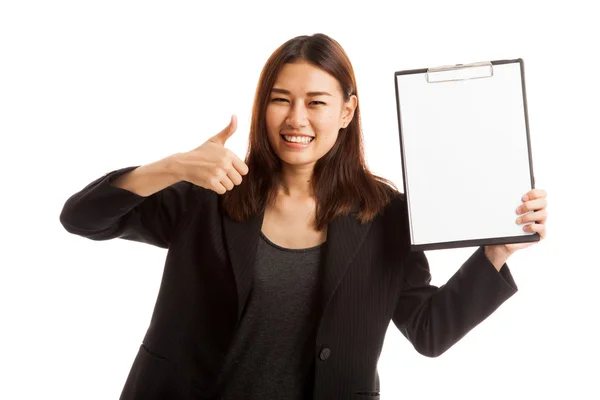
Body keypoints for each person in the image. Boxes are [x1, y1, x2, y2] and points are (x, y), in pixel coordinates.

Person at [59, 33, 548, 400]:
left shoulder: (386, 216)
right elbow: (83, 218)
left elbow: (429, 330)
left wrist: (496, 252)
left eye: (316, 102)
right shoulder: (208, 192)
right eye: (280, 100)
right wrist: (170, 167)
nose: (296, 119)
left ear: (346, 112)